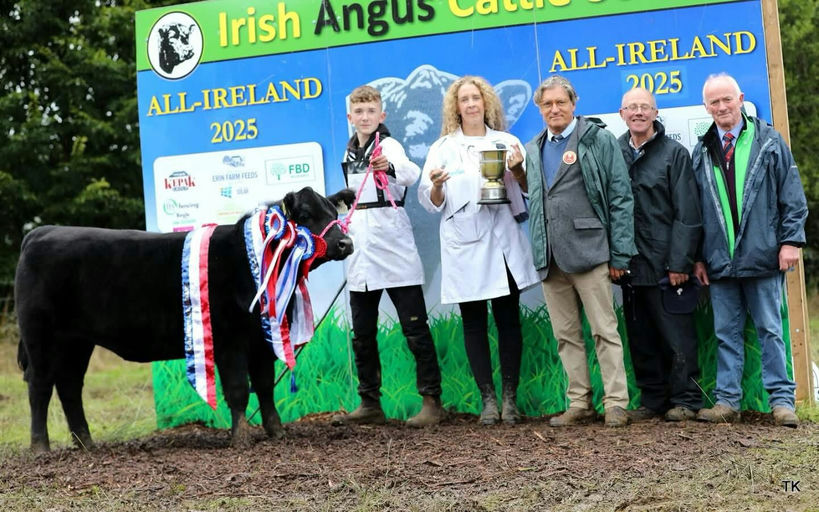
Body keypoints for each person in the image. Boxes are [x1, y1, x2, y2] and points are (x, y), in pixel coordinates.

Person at [513, 75, 636, 427]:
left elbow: (621, 197)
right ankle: (579, 402)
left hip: (591, 252)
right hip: (551, 259)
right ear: (540, 108)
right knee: (566, 336)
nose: (554, 109)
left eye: (560, 102)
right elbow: (537, 197)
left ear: (574, 103)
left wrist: (620, 254)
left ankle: (615, 403)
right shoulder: (533, 147)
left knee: (604, 332)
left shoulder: (598, 139)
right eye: (547, 104)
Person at [417, 75, 538, 425]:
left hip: (502, 243)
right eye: (464, 99)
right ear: (456, 107)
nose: (471, 104)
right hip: (465, 245)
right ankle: (488, 400)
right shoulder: (442, 148)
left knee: (508, 320)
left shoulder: (506, 141)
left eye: (476, 98)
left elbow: (530, 190)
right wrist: (438, 186)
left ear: (487, 103)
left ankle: (510, 400)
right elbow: (430, 201)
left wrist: (516, 169)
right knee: (473, 323)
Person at [692, 73, 807, 428]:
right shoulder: (702, 149)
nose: (722, 107)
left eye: (727, 99)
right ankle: (727, 402)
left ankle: (782, 402)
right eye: (714, 102)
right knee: (726, 334)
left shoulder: (769, 141)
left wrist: (790, 241)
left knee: (770, 330)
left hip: (763, 256)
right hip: (720, 262)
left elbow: (792, 197)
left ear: (740, 98)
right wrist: (698, 256)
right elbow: (696, 210)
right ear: (706, 107)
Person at [332, 85, 445, 428]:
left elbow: (411, 172)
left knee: (415, 329)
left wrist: (390, 166)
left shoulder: (389, 145)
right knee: (362, 333)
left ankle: (431, 400)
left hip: (393, 248)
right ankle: (369, 402)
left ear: (381, 116)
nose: (365, 118)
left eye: (371, 112)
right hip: (360, 251)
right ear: (350, 117)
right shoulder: (349, 150)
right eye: (359, 112)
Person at [616, 87, 703, 422]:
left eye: (645, 107)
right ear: (622, 114)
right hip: (630, 267)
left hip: (669, 267)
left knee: (678, 337)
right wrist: (616, 258)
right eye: (632, 107)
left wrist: (681, 261)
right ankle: (652, 400)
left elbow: (688, 212)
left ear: (655, 113)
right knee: (641, 338)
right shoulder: (615, 152)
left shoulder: (674, 153)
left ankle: (686, 399)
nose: (638, 112)